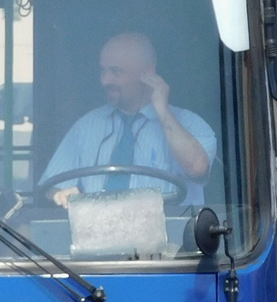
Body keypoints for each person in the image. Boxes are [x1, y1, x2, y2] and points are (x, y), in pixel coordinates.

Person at [40, 32, 217, 207]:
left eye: (115, 71)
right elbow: (51, 184)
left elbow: (197, 168)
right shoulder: (86, 126)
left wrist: (161, 109)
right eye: (103, 71)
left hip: (169, 233)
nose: (105, 80)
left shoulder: (190, 124)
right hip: (95, 232)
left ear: (147, 74)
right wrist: (61, 194)